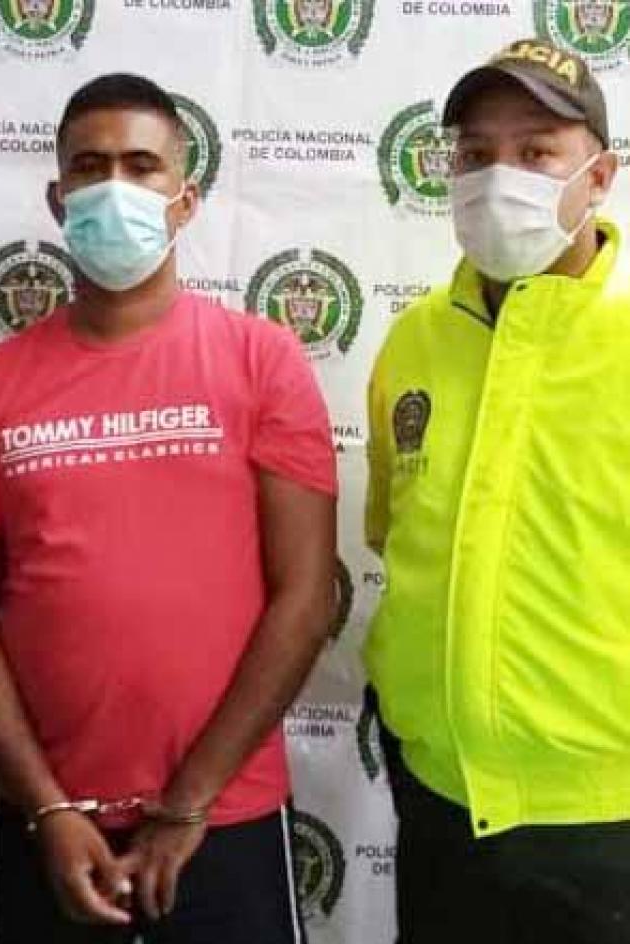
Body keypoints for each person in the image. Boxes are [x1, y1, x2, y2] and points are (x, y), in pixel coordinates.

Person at [0, 73, 338, 944]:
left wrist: (190, 801)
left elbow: (306, 597)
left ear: (185, 199)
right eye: (90, 166)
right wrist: (48, 807)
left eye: (142, 165)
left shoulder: (262, 360)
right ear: (58, 198)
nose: (115, 186)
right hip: (50, 824)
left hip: (224, 817)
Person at [362, 38, 628, 944]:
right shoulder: (413, 341)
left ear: (600, 176)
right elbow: (395, 534)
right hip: (438, 803)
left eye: (536, 151)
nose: (497, 177)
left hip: (606, 824)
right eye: (475, 153)